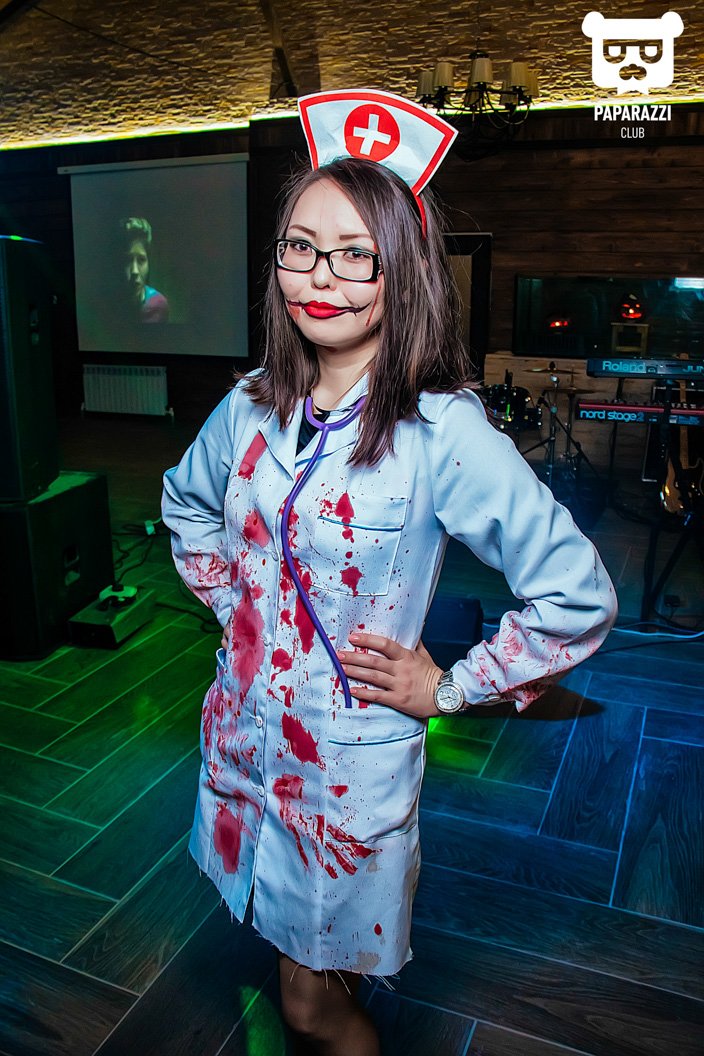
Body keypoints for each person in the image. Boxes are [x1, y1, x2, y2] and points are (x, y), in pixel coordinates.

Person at [161, 90, 617, 1056]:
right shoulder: (248, 406)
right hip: (242, 749)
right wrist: (239, 609)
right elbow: (186, 504)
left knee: (311, 1009)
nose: (320, 276)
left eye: (354, 254)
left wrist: (447, 687)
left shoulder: (442, 431)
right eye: (299, 247)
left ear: (401, 274)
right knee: (276, 961)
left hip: (343, 778)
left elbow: (576, 595)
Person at [120, 217, 169, 322]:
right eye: (128, 260)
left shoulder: (159, 305)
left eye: (141, 260)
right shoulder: (106, 306)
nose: (135, 271)